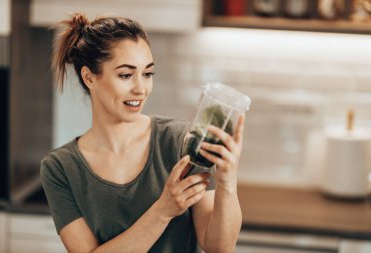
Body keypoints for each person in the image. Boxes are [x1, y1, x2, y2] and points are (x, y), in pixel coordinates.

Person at [41, 12, 244, 253]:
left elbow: (219, 248)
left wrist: (227, 183)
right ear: (89, 78)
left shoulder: (181, 142)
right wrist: (163, 210)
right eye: (126, 75)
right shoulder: (60, 169)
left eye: (147, 74)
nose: (141, 88)